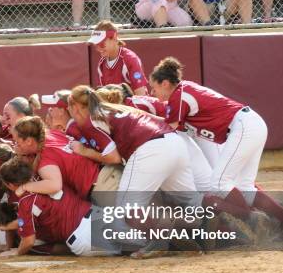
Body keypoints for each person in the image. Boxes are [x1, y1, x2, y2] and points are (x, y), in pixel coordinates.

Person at [149, 56, 283, 238]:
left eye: (155, 87)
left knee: (219, 183)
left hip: (243, 126)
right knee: (243, 186)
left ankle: (255, 222)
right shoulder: (184, 91)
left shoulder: (179, 95)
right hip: (249, 124)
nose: (153, 92)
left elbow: (170, 127)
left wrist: (141, 116)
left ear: (165, 83)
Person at [67, 85, 199, 210]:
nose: (68, 110)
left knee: (126, 213)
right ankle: (209, 229)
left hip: (150, 149)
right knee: (190, 206)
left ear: (76, 107)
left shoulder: (92, 119)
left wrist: (83, 151)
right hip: (174, 141)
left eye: (69, 106)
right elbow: (162, 120)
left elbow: (114, 158)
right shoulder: (118, 107)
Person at [0, 158, 123, 257]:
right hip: (98, 216)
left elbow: (29, 241)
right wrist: (7, 226)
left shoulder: (26, 202)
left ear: (11, 184)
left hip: (83, 237)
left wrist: (18, 252)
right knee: (136, 241)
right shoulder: (47, 178)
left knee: (124, 249)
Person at [87, 20, 149, 95]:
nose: (99, 49)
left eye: (101, 44)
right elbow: (105, 96)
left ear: (114, 37)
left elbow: (141, 95)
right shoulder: (101, 64)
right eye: (96, 45)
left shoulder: (129, 59)